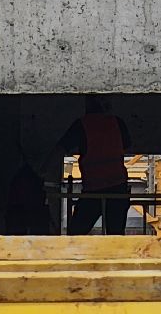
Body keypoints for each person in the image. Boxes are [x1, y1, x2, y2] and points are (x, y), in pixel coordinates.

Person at [57, 97, 132, 236]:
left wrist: (43, 172)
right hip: (118, 188)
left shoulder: (82, 125)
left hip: (93, 190)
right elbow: (126, 146)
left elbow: (60, 149)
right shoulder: (117, 123)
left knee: (75, 234)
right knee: (116, 236)